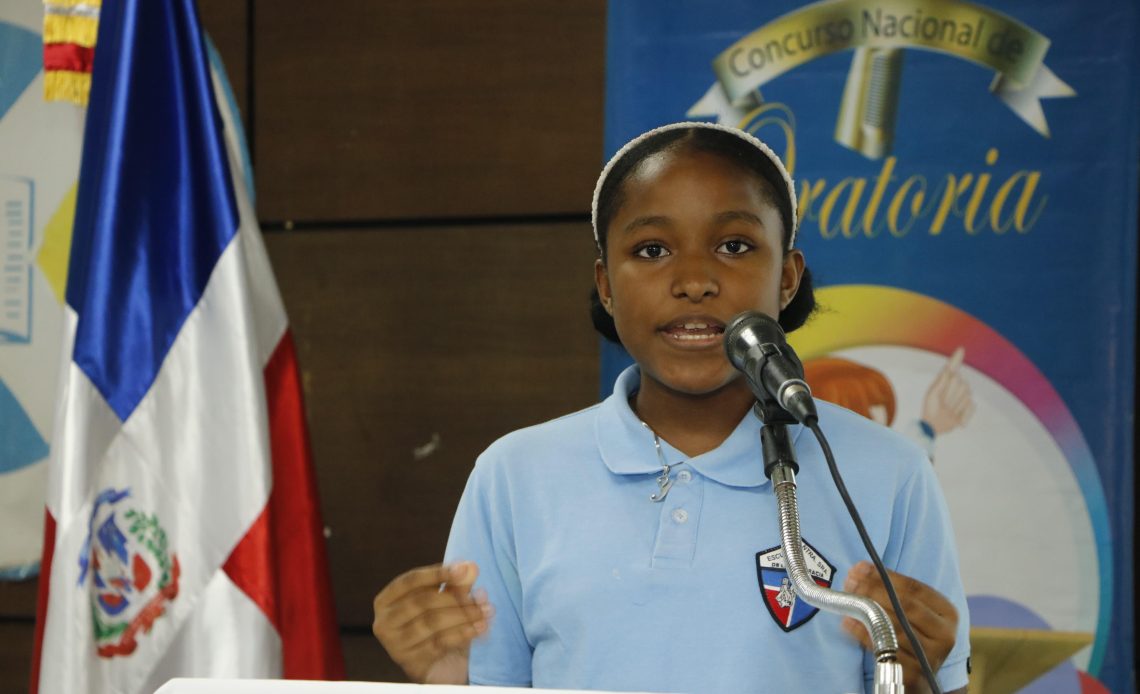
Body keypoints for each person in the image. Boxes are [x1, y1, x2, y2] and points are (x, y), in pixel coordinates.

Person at [372, 122, 970, 693]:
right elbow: (487, 683)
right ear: (606, 286)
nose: (693, 280)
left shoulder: (887, 472)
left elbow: (926, 680)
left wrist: (916, 683)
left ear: (786, 278)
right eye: (652, 249)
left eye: (734, 245)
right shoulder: (515, 474)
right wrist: (449, 681)